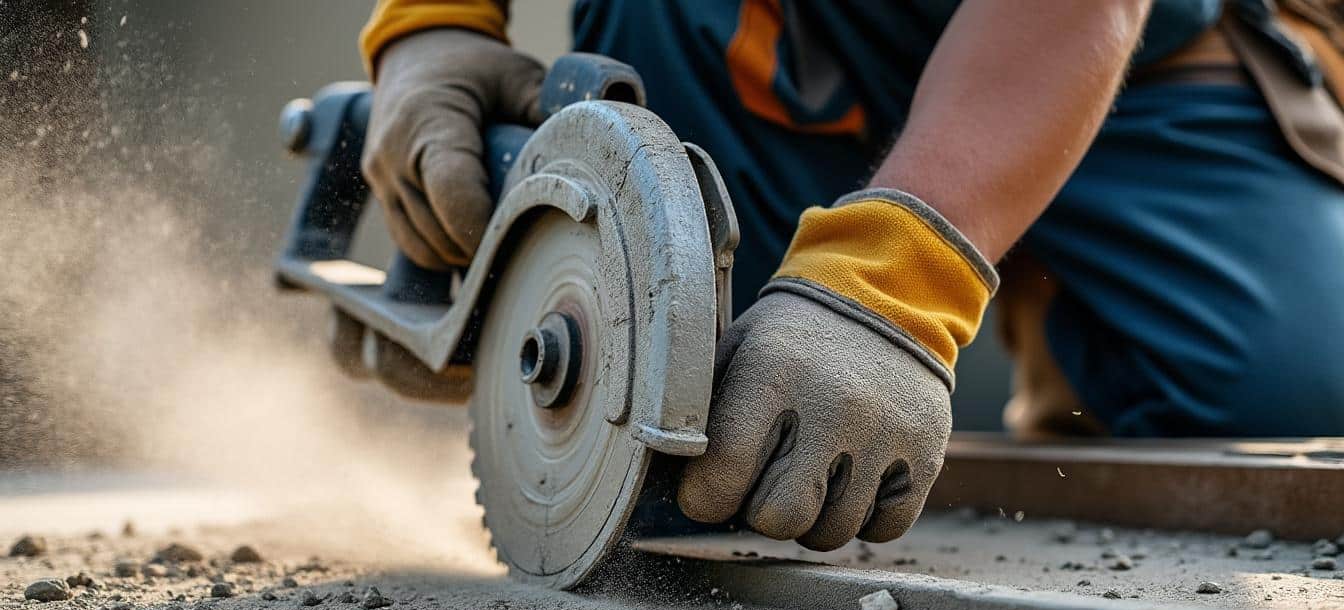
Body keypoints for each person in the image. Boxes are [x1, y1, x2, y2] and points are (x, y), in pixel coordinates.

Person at [357, 0, 1344, 551]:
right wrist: (433, 28)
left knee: (1298, 393)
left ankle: (1049, 290)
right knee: (696, 456)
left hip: (1124, 56)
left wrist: (897, 285)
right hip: (766, 27)